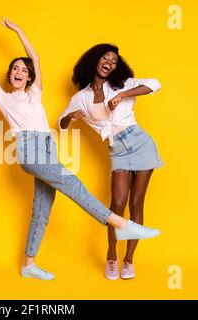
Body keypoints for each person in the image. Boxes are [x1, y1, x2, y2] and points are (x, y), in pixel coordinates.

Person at [0, 19, 160, 281]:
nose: (18, 72)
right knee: (73, 183)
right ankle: (119, 223)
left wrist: (19, 31)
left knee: (42, 210)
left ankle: (29, 264)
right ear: (9, 76)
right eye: (14, 69)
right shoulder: (3, 98)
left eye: (23, 69)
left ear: (29, 76)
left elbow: (36, 58)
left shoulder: (35, 93)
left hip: (48, 149)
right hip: (29, 150)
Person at [59, 44, 163, 280]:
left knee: (136, 203)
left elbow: (156, 84)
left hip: (140, 143)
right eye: (105, 58)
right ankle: (111, 256)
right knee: (117, 203)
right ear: (95, 61)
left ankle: (128, 261)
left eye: (114, 61)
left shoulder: (123, 84)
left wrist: (123, 94)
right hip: (117, 150)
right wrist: (70, 117)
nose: (110, 63)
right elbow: (60, 124)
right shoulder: (81, 97)